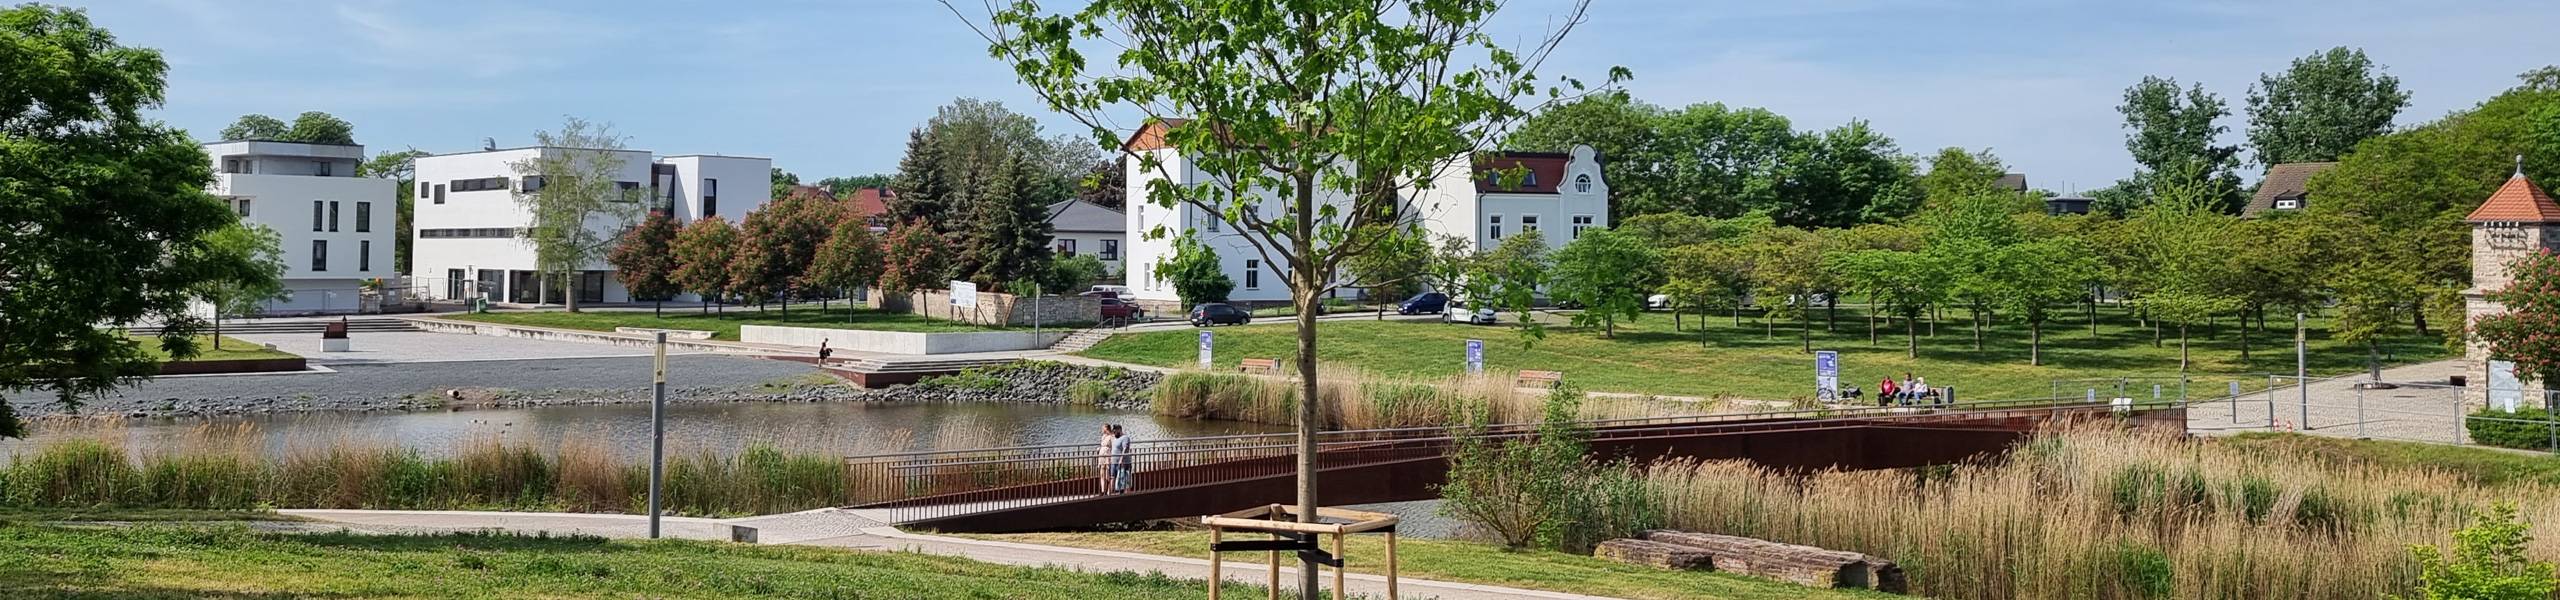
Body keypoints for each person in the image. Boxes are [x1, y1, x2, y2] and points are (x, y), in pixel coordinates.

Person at [1108, 424, 1134, 494]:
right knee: (1112, 477)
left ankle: (1123, 494)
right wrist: (1110, 458)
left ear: (1119, 430)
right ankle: (1110, 493)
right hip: (1114, 461)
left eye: (1115, 431)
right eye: (1113, 431)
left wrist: (1121, 459)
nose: (1114, 432)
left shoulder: (1125, 438)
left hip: (1123, 462)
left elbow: (1125, 449)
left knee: (1124, 478)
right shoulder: (1115, 438)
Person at [1095, 424, 1119, 495]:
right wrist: (1100, 448)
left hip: (1107, 456)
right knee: (1102, 473)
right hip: (1102, 455)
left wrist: (1111, 456)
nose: (1102, 430)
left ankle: (1108, 490)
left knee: (1107, 474)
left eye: (1103, 428)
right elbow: (1102, 445)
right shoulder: (1103, 436)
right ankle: (1103, 490)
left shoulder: (1112, 436)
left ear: (1106, 428)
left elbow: (1114, 446)